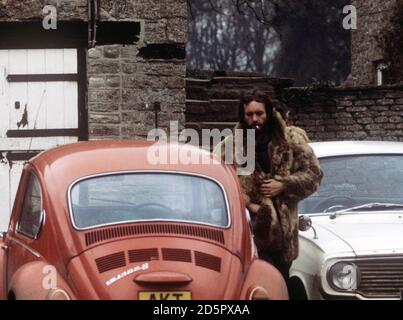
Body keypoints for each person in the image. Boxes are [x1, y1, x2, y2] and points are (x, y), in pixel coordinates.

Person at [213, 89, 323, 283]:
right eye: (249, 114)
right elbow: (215, 184)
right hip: (247, 231)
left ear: (269, 113)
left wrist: (284, 185)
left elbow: (313, 175)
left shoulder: (291, 140)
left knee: (280, 284)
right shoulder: (230, 146)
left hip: (283, 233)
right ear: (243, 115)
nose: (255, 119)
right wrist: (246, 203)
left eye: (259, 114)